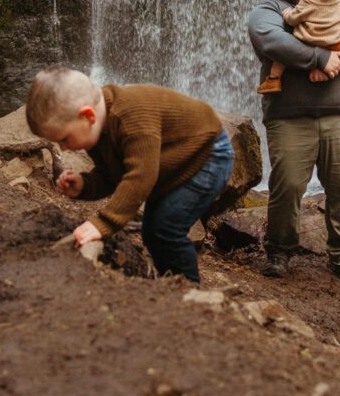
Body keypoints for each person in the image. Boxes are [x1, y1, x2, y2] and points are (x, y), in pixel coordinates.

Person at [25, 67, 234, 283]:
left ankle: (188, 288)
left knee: (166, 227)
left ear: (88, 115)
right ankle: (169, 281)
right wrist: (85, 185)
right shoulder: (97, 129)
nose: (64, 148)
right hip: (170, 163)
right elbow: (114, 175)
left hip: (208, 155)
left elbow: (140, 176)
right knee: (153, 232)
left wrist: (103, 223)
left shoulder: (131, 116)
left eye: (64, 139)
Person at [248, 0, 340, 284]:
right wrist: (319, 58)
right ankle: (280, 251)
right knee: (286, 186)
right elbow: (270, 40)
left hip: (338, 114)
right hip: (289, 116)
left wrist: (336, 60)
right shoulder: (268, 10)